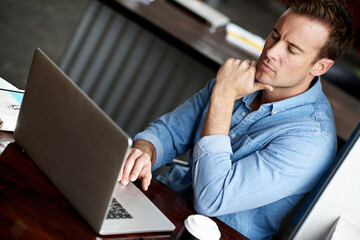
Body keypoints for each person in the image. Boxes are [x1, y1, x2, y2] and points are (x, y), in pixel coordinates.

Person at [119, 0, 354, 239]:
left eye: (291, 50)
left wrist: (224, 96)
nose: (271, 52)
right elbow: (169, 133)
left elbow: (211, 199)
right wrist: (144, 151)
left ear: (321, 66)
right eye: (274, 36)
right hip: (170, 204)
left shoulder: (312, 141)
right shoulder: (242, 79)